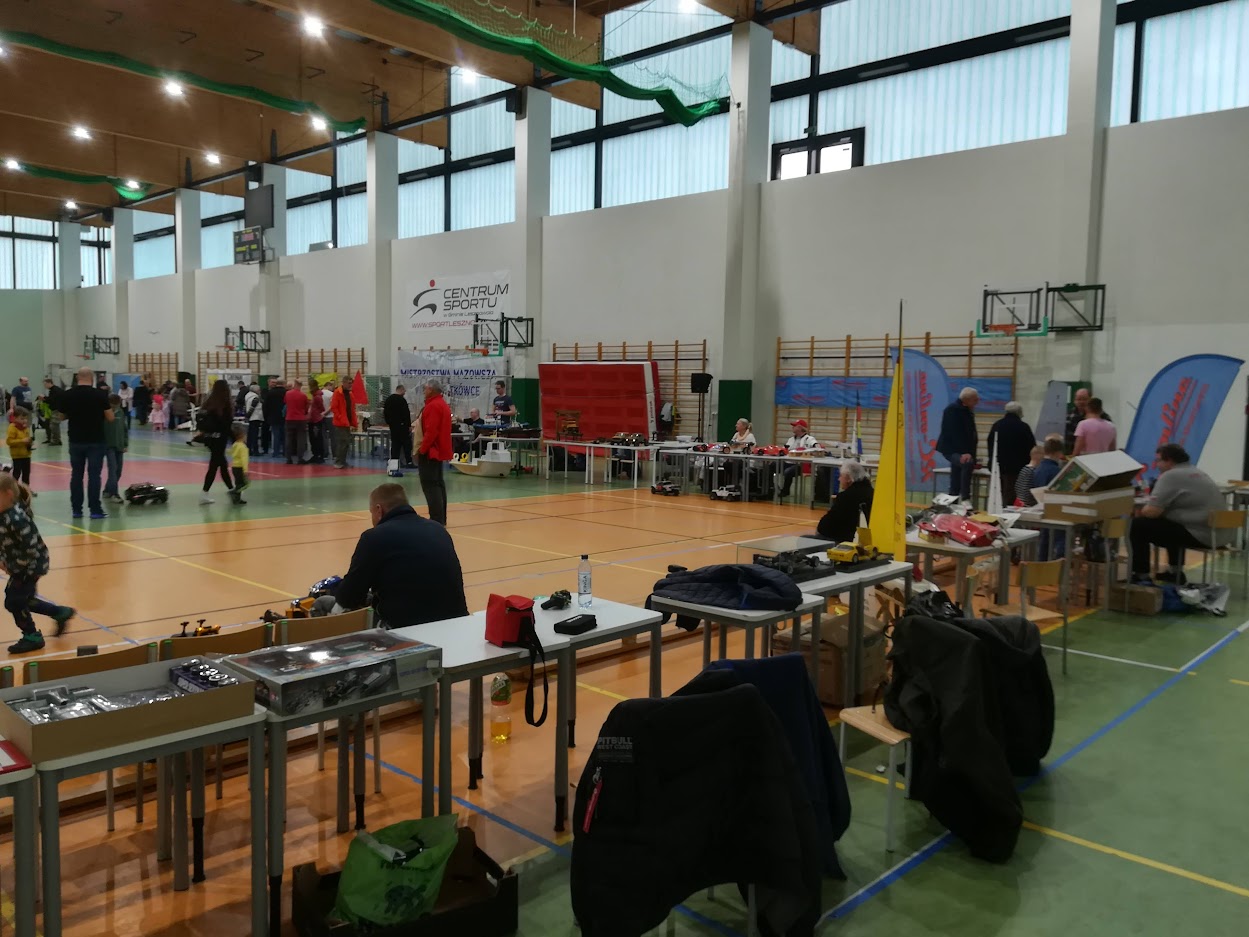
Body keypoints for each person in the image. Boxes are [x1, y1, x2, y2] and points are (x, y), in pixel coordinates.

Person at [334, 483, 468, 628]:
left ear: (379, 510)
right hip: (457, 624)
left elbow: (348, 598)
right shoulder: (438, 529)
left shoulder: (374, 537)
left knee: (329, 606)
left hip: (409, 631)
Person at [1131, 444, 1230, 584]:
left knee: (1137, 525)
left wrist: (1139, 509)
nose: (1156, 464)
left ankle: (1141, 575)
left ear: (1169, 460)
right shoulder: (1196, 471)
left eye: (1158, 460)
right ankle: (1175, 572)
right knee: (1171, 524)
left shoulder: (1171, 475)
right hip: (1220, 534)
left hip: (1203, 535)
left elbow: (1152, 512)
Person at [0, 474, 74, 653]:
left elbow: (30, 549)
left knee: (14, 601)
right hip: (20, 565)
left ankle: (32, 636)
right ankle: (60, 612)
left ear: (8, 494)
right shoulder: (3, 514)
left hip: (31, 566)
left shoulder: (17, 518)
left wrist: (13, 567)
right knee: (27, 600)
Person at [59, 366, 114, 520]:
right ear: (92, 378)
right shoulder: (100, 394)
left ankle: (76, 510)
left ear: (77, 378)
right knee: (94, 476)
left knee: (76, 475)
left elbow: (61, 417)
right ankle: (95, 510)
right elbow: (110, 418)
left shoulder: (68, 394)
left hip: (76, 440)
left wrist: (74, 414)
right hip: (96, 440)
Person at [416, 378, 452, 525]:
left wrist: (422, 449)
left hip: (431, 451)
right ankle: (441, 518)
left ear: (431, 390)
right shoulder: (442, 404)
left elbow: (431, 431)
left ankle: (436, 519)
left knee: (430, 485)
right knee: (438, 484)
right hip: (439, 451)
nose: (424, 391)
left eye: (425, 388)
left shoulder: (432, 406)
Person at [987, 401, 1036, 508]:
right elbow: (1031, 447)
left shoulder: (997, 425)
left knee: (998, 493)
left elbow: (990, 444)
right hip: (1017, 468)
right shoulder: (1023, 427)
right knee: (1012, 494)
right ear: (1019, 412)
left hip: (998, 466)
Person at [198, 380, 238, 505]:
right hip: (220, 439)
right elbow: (226, 426)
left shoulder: (208, 403)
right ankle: (205, 493)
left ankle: (231, 490)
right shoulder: (224, 405)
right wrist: (235, 440)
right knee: (215, 466)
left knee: (221, 464)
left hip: (209, 438)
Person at [937, 387, 979, 501]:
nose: (977, 402)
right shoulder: (952, 410)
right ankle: (965, 498)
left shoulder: (967, 410)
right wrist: (964, 453)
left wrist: (972, 454)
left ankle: (953, 497)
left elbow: (970, 434)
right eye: (975, 399)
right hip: (951, 449)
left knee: (956, 473)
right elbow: (954, 433)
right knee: (966, 463)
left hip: (963, 450)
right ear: (967, 400)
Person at [817, 461, 873, 543]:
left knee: (805, 538)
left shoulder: (845, 497)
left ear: (848, 478)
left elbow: (826, 526)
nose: (839, 479)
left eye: (841, 476)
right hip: (869, 539)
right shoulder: (873, 493)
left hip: (845, 541)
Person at [778, 419, 821, 499]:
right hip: (788, 462)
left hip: (801, 465)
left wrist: (811, 452)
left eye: (794, 426)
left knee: (788, 472)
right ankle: (771, 488)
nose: (792, 427)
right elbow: (784, 450)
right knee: (772, 465)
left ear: (800, 428)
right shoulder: (791, 439)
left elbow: (817, 447)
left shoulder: (809, 439)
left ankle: (785, 491)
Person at [1064, 387, 1113, 454]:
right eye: (1078, 399)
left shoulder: (1103, 417)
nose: (1081, 402)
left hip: (1095, 453)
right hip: (1070, 452)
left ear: (1090, 400)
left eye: (1084, 399)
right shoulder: (1068, 415)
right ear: (1074, 400)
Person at [102, 394, 129, 504]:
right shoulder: (103, 413)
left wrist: (125, 444)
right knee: (112, 470)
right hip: (108, 446)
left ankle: (107, 490)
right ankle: (114, 494)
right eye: (112, 406)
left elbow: (124, 429)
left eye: (116, 406)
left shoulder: (120, 412)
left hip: (119, 445)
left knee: (118, 471)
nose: (114, 408)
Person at [383, 385, 414, 468]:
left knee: (395, 444)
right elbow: (406, 414)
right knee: (406, 444)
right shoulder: (402, 400)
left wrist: (389, 423)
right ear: (401, 390)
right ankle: (409, 462)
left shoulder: (388, 400)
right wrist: (408, 425)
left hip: (393, 426)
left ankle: (394, 463)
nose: (405, 392)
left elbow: (385, 413)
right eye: (404, 390)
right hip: (402, 426)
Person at [283, 379, 310, 465]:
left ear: (294, 384)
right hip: (301, 419)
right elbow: (306, 408)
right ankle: (300, 458)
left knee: (289, 438)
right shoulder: (303, 395)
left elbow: (285, 403)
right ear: (301, 385)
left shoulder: (287, 394)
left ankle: (288, 458)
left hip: (289, 418)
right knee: (300, 439)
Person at [330, 380, 356, 469]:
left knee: (346, 443)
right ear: (344, 383)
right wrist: (340, 416)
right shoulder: (337, 393)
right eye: (349, 383)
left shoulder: (350, 394)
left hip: (347, 422)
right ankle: (338, 462)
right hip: (340, 422)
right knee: (342, 442)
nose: (350, 385)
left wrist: (353, 421)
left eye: (351, 383)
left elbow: (352, 408)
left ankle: (342, 461)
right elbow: (334, 407)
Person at [6, 408, 33, 486]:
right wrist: (22, 441)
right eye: (22, 419)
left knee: (26, 474)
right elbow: (9, 441)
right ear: (15, 418)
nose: (24, 421)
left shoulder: (25, 428)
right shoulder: (12, 427)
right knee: (16, 474)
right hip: (17, 456)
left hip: (26, 455)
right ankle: (14, 488)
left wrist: (30, 442)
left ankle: (26, 489)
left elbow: (27, 439)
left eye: (25, 419)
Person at [263, 379, 287, 458]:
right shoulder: (286, 392)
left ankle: (275, 452)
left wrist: (266, 416)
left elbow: (265, 406)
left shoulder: (270, 393)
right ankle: (285, 452)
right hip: (284, 417)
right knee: (285, 436)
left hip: (273, 417)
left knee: (276, 435)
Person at [307, 378, 327, 464]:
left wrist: (315, 412)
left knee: (317, 438)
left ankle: (319, 455)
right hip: (313, 419)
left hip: (316, 420)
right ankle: (316, 454)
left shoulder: (317, 397)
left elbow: (322, 408)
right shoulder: (315, 396)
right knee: (313, 438)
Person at [230, 424, 250, 506]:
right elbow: (244, 459)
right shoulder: (243, 447)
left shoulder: (235, 444)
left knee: (238, 483)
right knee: (245, 484)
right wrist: (245, 470)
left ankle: (237, 499)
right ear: (242, 436)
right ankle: (234, 492)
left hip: (234, 466)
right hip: (240, 467)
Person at [244, 383, 265, 456]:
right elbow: (252, 407)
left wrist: (247, 416)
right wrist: (248, 415)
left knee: (250, 435)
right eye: (259, 390)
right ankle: (255, 451)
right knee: (255, 435)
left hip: (251, 418)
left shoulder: (247, 396)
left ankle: (249, 449)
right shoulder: (255, 397)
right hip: (256, 417)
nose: (260, 391)